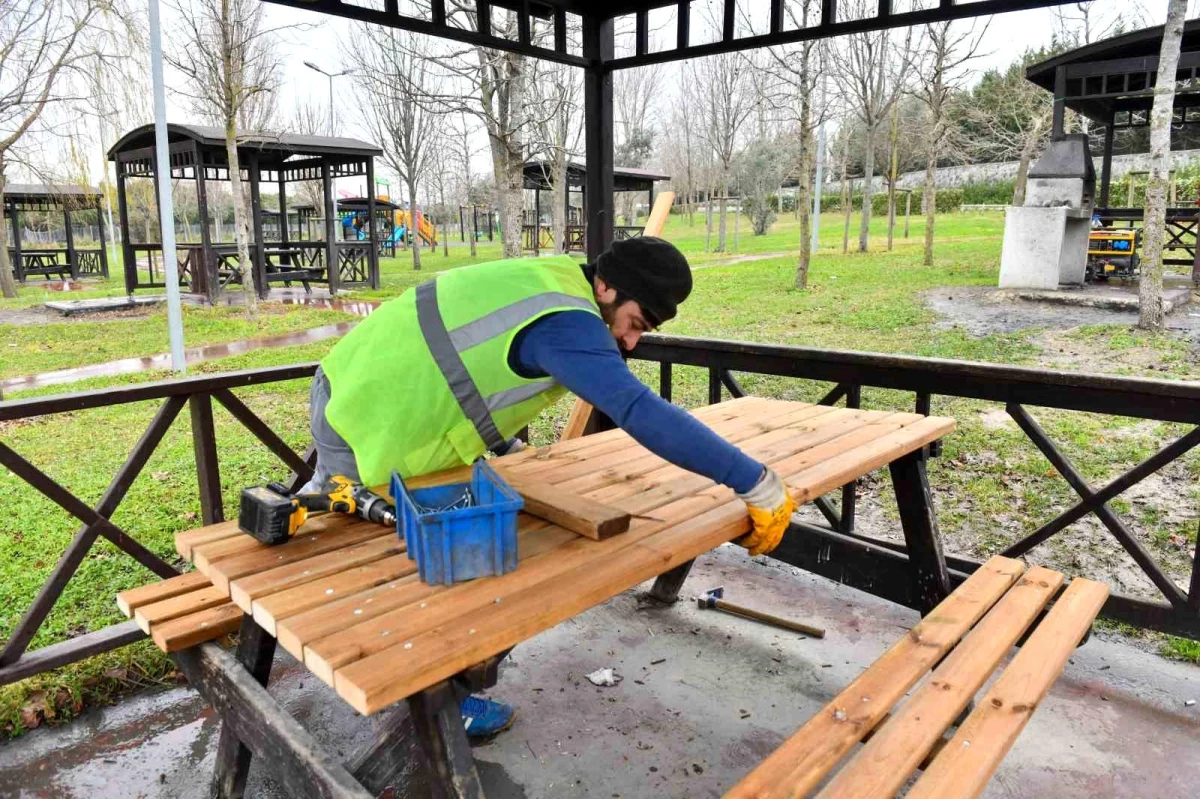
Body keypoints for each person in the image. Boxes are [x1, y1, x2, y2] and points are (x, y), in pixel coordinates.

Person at [304, 237, 796, 737]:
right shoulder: (568, 325)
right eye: (635, 324)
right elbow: (638, 411)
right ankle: (431, 707)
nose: (630, 342)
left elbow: (470, 357)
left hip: (360, 383)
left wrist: (500, 445)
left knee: (440, 553)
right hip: (368, 416)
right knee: (390, 564)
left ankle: (427, 688)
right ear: (605, 288)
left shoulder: (557, 281)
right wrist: (754, 481)